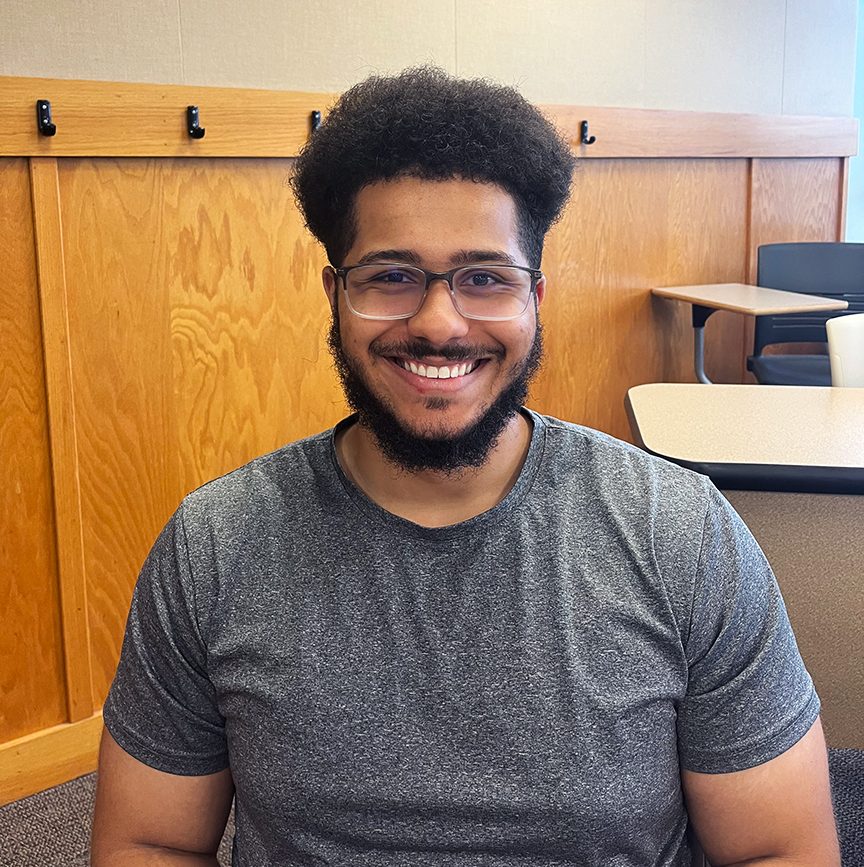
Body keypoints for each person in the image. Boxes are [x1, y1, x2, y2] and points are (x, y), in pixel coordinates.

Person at [91, 67, 839, 866]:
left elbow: (778, 849)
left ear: (536, 297)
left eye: (484, 278)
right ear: (334, 295)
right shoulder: (215, 545)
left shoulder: (681, 534)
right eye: (390, 276)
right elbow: (151, 841)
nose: (439, 322)